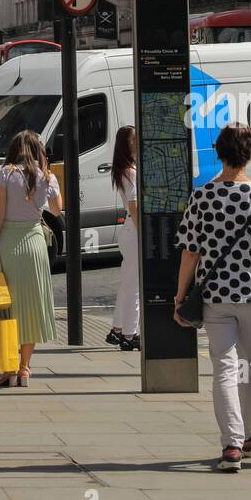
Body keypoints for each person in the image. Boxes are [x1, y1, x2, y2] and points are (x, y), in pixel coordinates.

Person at [174, 122, 251, 472]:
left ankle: (231, 446)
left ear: (219, 152)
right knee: (249, 364)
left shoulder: (202, 195)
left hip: (216, 297)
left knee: (223, 368)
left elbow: (190, 253)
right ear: (250, 153)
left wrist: (180, 295)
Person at [0, 131, 61, 388]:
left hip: (8, 241)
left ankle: (8, 368)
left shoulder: (6, 173)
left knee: (6, 306)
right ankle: (25, 368)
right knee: (30, 305)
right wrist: (48, 175)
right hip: (35, 241)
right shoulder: (47, 176)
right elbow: (57, 209)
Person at [108, 126, 139, 351]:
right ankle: (130, 334)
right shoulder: (131, 172)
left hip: (127, 230)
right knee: (135, 286)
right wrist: (144, 234)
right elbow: (134, 206)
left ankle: (118, 329)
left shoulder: (124, 170)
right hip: (134, 230)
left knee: (127, 283)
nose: (138, 142)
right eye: (134, 139)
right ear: (126, 145)